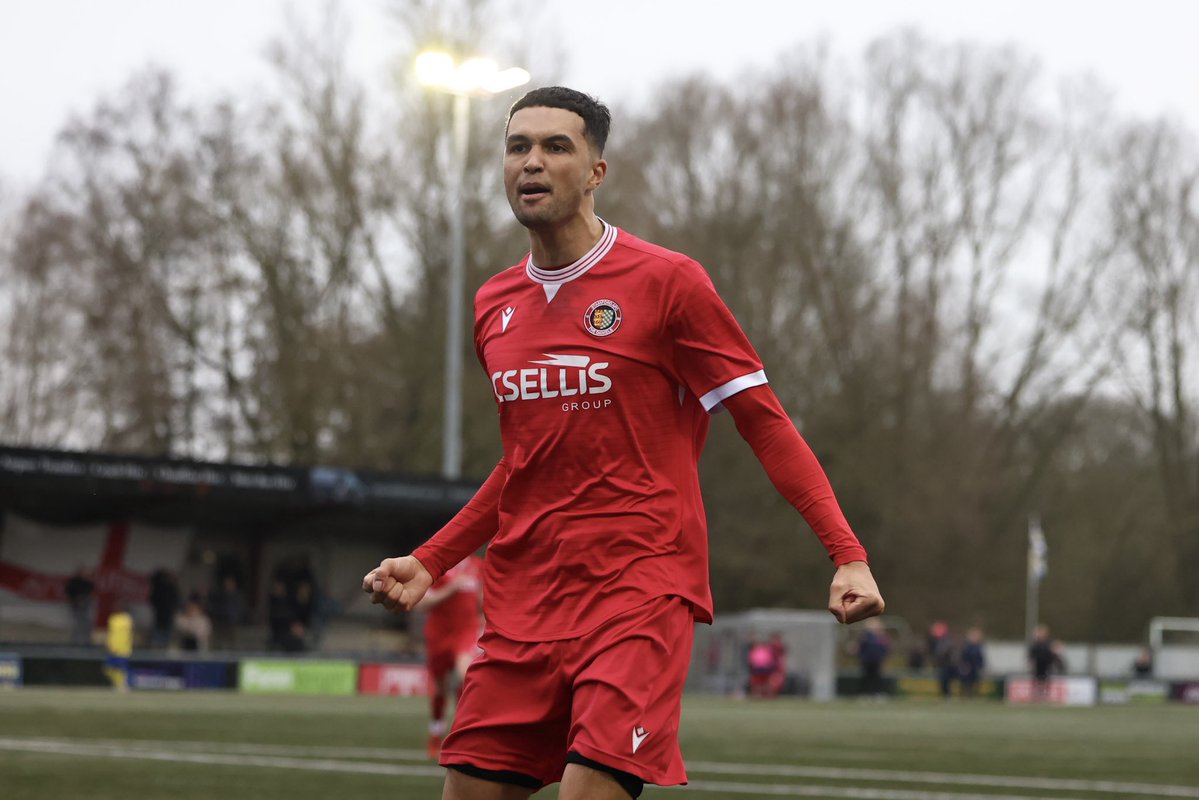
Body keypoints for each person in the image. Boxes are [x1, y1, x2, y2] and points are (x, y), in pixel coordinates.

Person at [364, 86, 885, 800]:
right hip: (523, 602)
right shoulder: (493, 305)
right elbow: (525, 462)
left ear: (595, 172)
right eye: (517, 147)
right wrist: (432, 559)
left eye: (556, 146)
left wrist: (846, 553)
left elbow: (763, 421)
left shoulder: (667, 282)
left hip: (638, 590)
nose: (531, 162)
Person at [420, 553, 485, 758]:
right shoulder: (439, 563)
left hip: (466, 631)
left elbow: (482, 600)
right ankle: (436, 730)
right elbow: (423, 603)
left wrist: (486, 618)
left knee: (465, 674)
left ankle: (461, 732)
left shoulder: (478, 566)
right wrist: (452, 588)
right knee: (440, 688)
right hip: (439, 634)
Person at [854, 618, 891, 698]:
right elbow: (860, 647)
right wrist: (860, 656)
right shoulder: (865, 636)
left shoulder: (881, 637)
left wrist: (883, 657)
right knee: (866, 677)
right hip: (866, 660)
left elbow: (885, 648)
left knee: (877, 677)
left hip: (877, 661)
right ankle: (864, 693)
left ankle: (878, 693)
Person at [103, 603, 134, 691]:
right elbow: (110, 633)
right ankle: (119, 684)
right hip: (113, 648)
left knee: (122, 668)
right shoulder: (113, 619)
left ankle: (123, 685)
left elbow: (130, 634)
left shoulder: (127, 619)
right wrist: (109, 644)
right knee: (108, 669)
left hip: (123, 649)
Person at [64, 567, 95, 646]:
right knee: (77, 624)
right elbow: (69, 591)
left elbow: (92, 588)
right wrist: (76, 600)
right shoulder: (74, 583)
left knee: (86, 624)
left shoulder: (87, 582)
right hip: (76, 605)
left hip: (84, 605)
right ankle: (75, 641)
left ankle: (86, 641)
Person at [1028, 623, 1057, 701]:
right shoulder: (1035, 644)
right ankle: (1036, 696)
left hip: (1047, 666)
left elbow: (1053, 654)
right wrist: (1031, 662)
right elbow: (1031, 655)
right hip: (1037, 666)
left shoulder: (1049, 643)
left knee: (1046, 681)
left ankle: (1046, 696)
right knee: (1037, 681)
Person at [957, 626, 986, 698]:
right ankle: (964, 694)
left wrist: (981, 665)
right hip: (967, 667)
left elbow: (980, 658)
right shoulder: (966, 646)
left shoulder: (979, 646)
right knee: (965, 681)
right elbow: (963, 657)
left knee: (975, 681)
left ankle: (973, 695)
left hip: (975, 667)